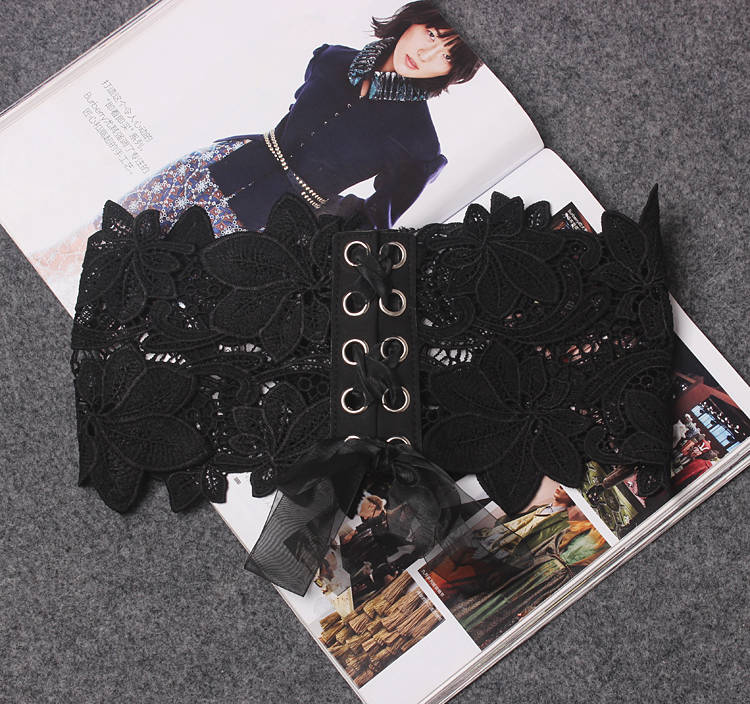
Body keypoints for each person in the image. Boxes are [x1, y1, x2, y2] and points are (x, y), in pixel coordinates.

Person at [35, 1, 482, 286]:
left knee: (155, 285)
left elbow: (373, 225)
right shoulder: (332, 59)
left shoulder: (419, 143)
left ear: (451, 73)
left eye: (445, 55)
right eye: (431, 34)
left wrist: (310, 238)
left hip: (266, 228)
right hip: (217, 166)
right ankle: (39, 266)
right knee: (107, 228)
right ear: (413, 20)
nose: (426, 54)